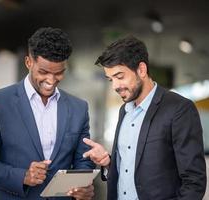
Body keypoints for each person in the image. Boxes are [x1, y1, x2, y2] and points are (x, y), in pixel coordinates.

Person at [0, 27, 96, 200]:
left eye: (59, 73)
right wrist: (22, 176)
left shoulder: (79, 108)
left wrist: (84, 186)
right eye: (44, 72)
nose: (51, 80)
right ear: (28, 62)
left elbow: (83, 159)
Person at [83, 36, 207, 200]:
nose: (115, 86)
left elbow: (194, 182)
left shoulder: (179, 109)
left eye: (120, 77)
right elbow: (131, 168)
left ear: (141, 70)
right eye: (110, 79)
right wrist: (108, 163)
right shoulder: (124, 111)